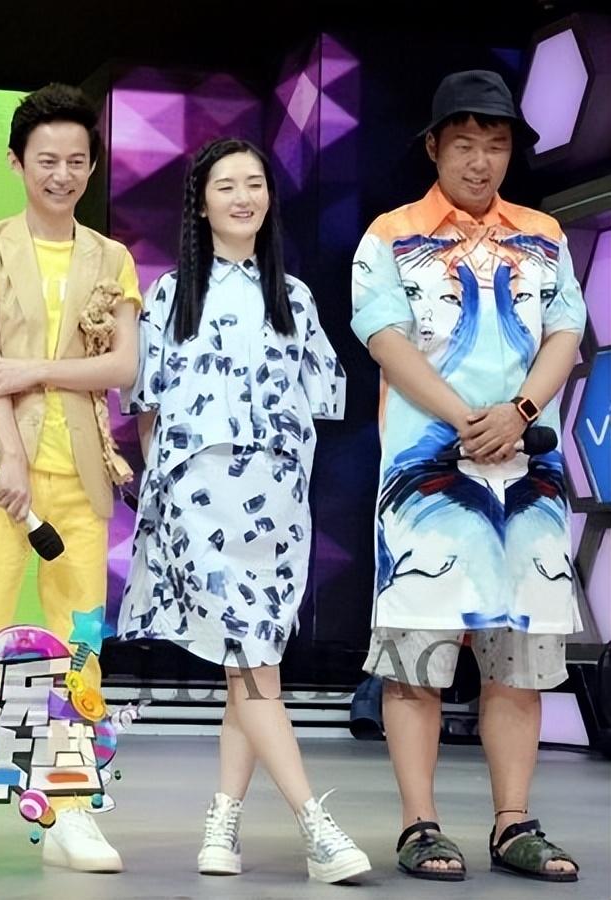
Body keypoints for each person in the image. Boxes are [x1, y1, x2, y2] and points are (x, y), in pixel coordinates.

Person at [351, 70, 583, 883]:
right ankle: (420, 825)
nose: (481, 161)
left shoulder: (545, 234)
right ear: (433, 147)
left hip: (529, 473)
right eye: (465, 144)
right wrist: (464, 418)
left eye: (496, 145)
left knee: (520, 656)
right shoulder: (390, 234)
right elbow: (385, 339)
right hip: (426, 475)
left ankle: (514, 823)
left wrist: (518, 413)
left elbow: (565, 333)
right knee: (416, 656)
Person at [120, 138, 370, 884]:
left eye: (254, 183)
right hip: (199, 501)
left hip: (277, 507)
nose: (242, 197)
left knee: (249, 663)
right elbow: (147, 404)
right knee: (255, 664)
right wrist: (162, 495)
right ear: (201, 203)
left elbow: (321, 401)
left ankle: (222, 823)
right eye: (225, 185)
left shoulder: (295, 296)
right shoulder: (169, 295)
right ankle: (314, 825)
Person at [0, 83, 141, 874]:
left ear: (92, 167)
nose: (62, 174)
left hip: (81, 474)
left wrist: (37, 370)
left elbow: (122, 366)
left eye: (76, 161)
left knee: (80, 644)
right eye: (46, 159)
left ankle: (72, 808)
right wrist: (11, 457)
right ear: (17, 162)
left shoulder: (112, 258)